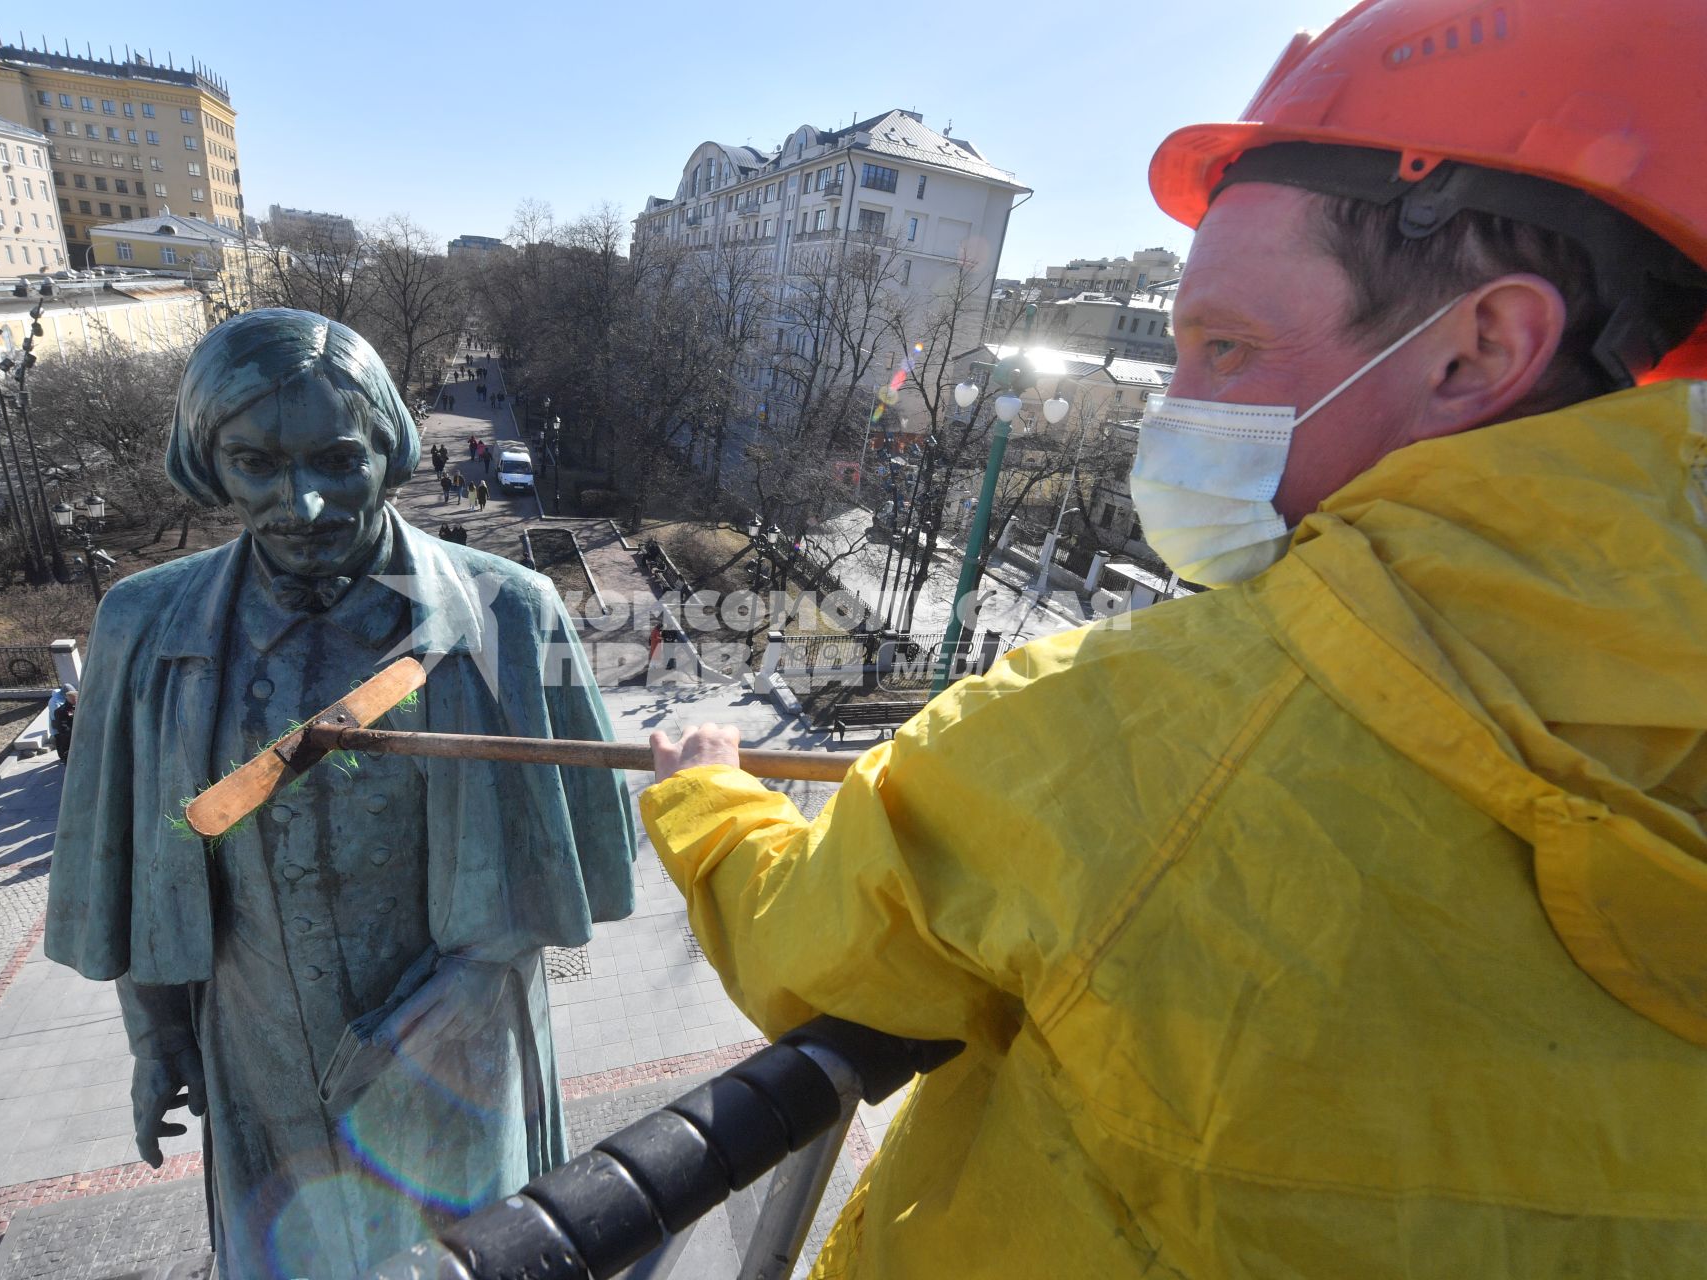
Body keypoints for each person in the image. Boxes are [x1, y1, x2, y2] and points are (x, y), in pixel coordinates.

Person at [645, 2, 1707, 1276]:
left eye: (1228, 347)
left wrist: (706, 794)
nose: (1174, 411)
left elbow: (810, 943)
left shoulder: (1140, 736)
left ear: (1481, 349)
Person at [44, 310, 636, 1279]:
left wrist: (459, 999)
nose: (304, 503)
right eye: (256, 463)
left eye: (336, 459)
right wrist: (154, 1036)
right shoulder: (145, 626)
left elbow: (586, 859)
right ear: (208, 458)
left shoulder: (511, 616)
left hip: (455, 1048)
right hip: (260, 1046)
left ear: (387, 446)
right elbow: (135, 858)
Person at [49, 684, 78, 761]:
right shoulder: (54, 702)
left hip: (67, 730)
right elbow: (59, 720)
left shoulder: (74, 705)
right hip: (58, 728)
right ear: (66, 696)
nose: (75, 699)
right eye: (72, 697)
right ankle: (63, 758)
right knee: (61, 745)